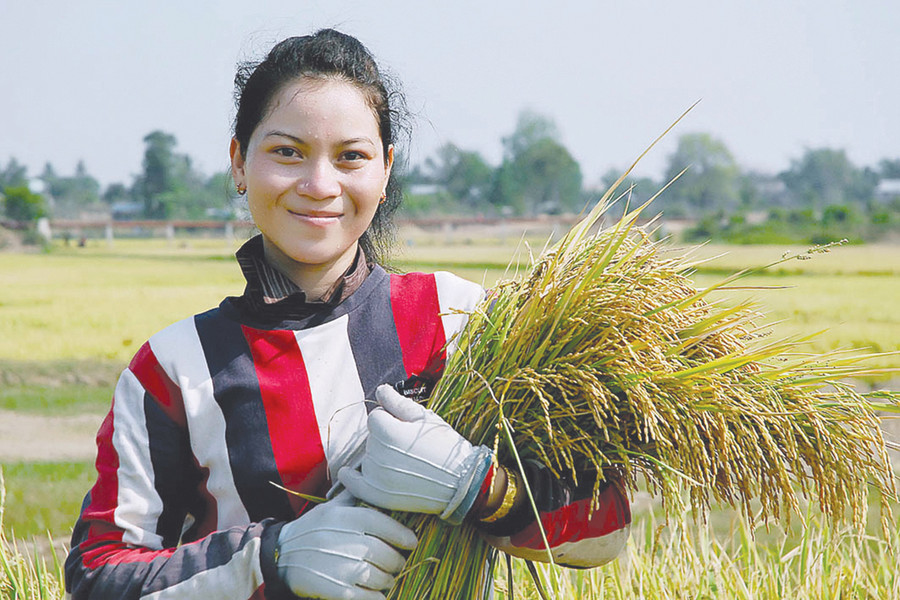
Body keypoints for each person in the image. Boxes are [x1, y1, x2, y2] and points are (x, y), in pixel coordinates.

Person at [64, 29, 631, 600]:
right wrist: (270, 560)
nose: (319, 185)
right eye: (287, 152)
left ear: (384, 171)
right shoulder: (172, 369)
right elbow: (96, 577)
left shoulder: (460, 319)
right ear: (239, 163)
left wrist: (477, 483)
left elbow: (602, 533)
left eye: (351, 156)